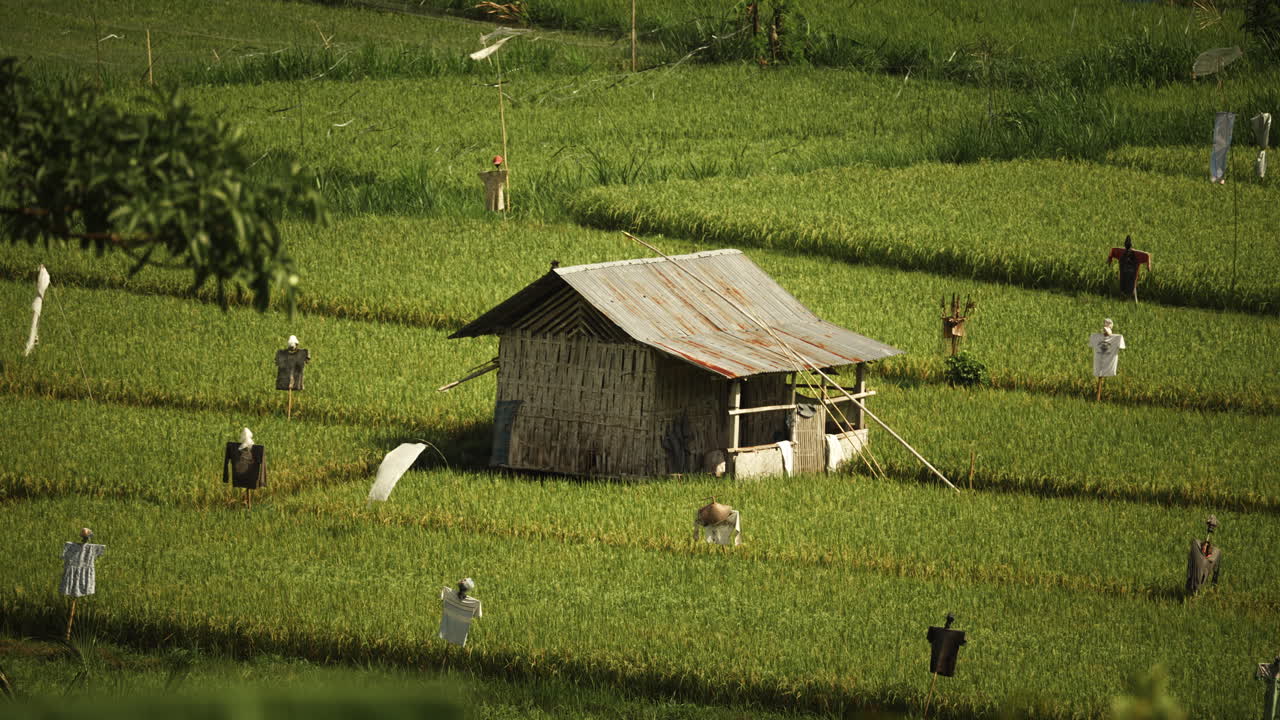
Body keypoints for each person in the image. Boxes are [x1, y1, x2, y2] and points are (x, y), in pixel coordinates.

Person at [1106, 236, 1152, 302]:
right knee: (1126, 290)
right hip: (1125, 275)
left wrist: (1149, 266)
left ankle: (1133, 306)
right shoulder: (1124, 252)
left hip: (1130, 276)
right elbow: (1112, 251)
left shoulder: (1131, 253)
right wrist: (1109, 259)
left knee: (1131, 289)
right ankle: (1124, 305)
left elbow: (1147, 255)